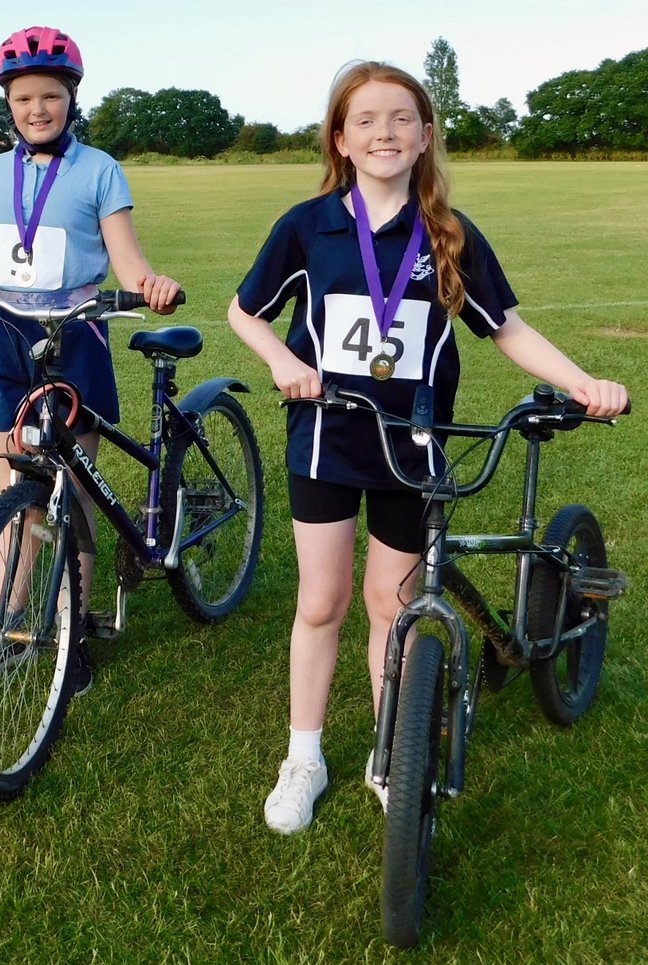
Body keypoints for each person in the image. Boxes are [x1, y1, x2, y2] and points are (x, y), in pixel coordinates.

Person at [227, 60, 628, 834]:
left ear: (425, 136)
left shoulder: (447, 233)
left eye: (401, 118)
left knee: (394, 602)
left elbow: (503, 326)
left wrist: (583, 381)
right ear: (340, 138)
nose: (385, 132)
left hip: (413, 446)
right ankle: (303, 756)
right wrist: (283, 361)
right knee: (321, 601)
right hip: (326, 440)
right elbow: (245, 312)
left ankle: (393, 755)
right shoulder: (308, 225)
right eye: (367, 120)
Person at [0, 25, 181, 693]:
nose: (37, 109)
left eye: (50, 96)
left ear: (71, 99)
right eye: (23, 99)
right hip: (7, 338)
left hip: (77, 337)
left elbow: (127, 258)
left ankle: (72, 635)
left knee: (70, 499)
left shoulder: (100, 169)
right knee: (14, 498)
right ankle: (6, 624)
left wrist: (150, 282)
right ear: (8, 105)